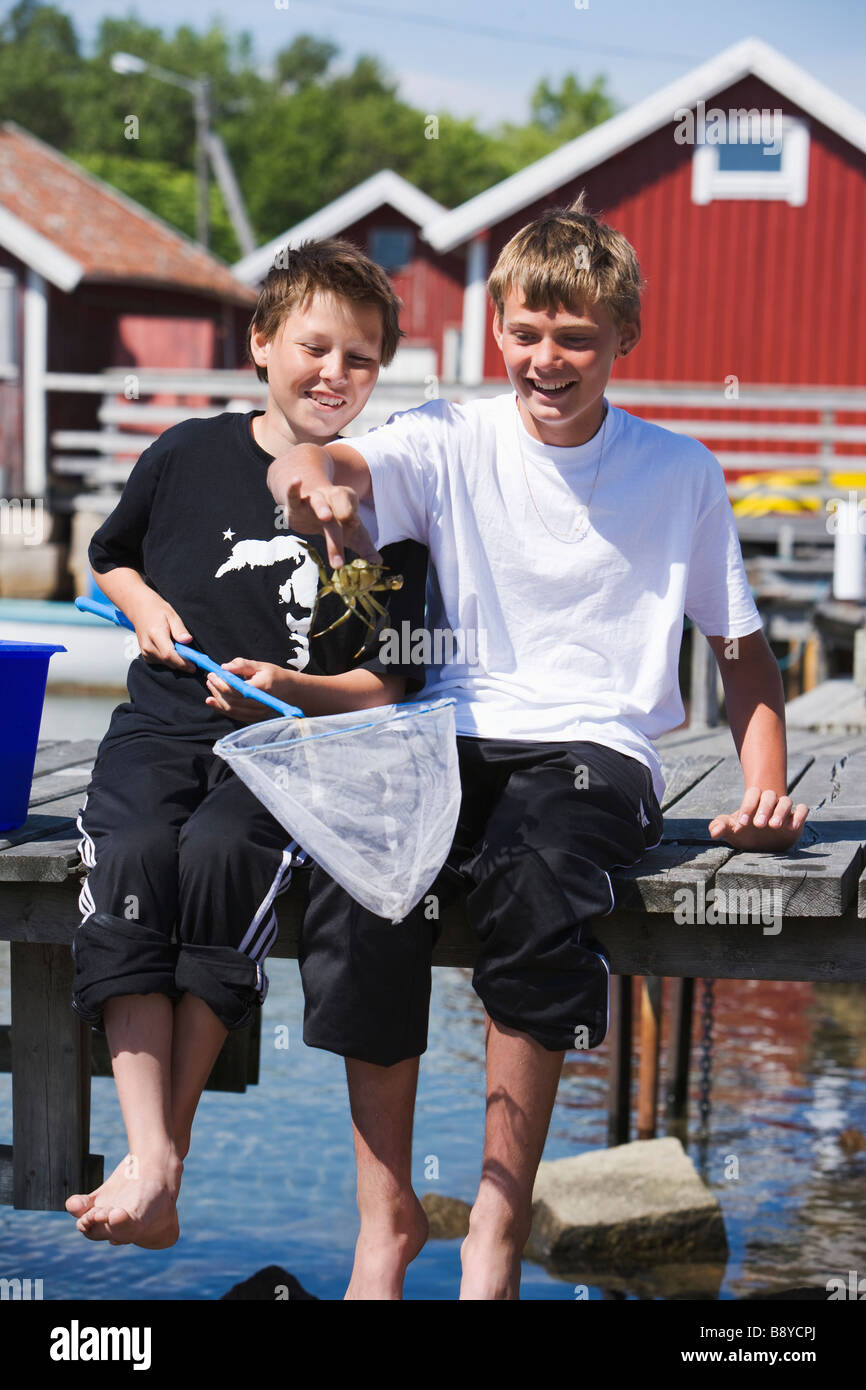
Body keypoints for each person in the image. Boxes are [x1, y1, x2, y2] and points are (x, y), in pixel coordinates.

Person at [269, 194, 809, 1300]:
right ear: (496, 332)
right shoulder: (447, 433)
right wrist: (317, 480)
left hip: (593, 744)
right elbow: (337, 471)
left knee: (537, 871)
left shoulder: (682, 473)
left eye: (573, 336)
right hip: (450, 729)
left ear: (622, 341)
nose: (545, 358)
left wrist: (763, 788)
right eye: (525, 332)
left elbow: (742, 655)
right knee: (363, 867)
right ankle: (387, 1223)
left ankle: (496, 1230)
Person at [65, 238, 428, 1249]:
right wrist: (139, 607)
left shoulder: (385, 500)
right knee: (135, 856)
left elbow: (390, 683)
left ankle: (156, 1160)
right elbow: (113, 554)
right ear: (261, 342)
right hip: (157, 729)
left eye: (359, 358)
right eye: (313, 347)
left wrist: (294, 689)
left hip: (285, 753)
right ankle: (155, 1158)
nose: (334, 374)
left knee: (220, 857)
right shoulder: (185, 453)